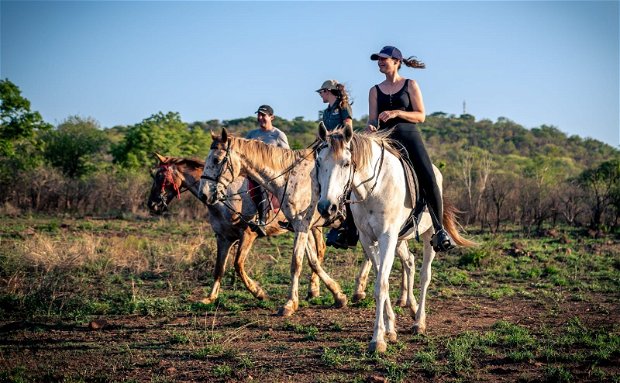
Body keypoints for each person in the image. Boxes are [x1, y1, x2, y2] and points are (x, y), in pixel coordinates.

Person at [367, 46, 455, 252]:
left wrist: (397, 112)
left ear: (396, 61)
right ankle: (350, 228)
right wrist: (370, 127)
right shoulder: (374, 90)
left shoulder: (410, 84)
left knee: (429, 177)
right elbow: (371, 120)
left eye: (384, 59)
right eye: (378, 60)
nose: (380, 62)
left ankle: (440, 230)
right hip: (384, 139)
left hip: (409, 137)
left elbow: (421, 116)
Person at [316, 80, 358, 249]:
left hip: (342, 149)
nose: (321, 95)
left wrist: (335, 138)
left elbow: (348, 128)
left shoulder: (343, 107)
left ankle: (347, 227)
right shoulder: (326, 111)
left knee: (346, 190)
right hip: (328, 149)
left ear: (328, 91)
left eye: (322, 92)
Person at [245, 104, 289, 237]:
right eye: (258, 115)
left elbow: (287, 156)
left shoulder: (278, 135)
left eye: (263, 115)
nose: (260, 118)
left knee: (260, 185)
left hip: (272, 174)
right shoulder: (252, 134)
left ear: (272, 117)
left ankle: (262, 221)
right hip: (251, 172)